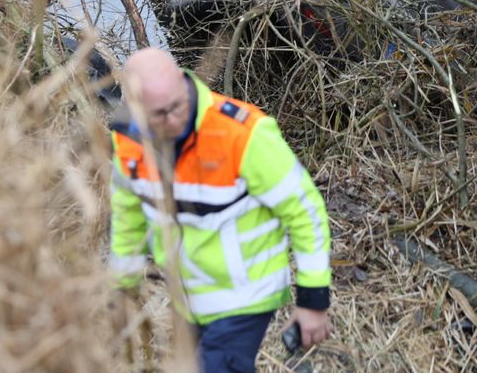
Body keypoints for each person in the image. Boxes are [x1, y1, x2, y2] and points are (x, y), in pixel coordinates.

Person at [108, 48, 332, 372]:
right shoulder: (128, 141)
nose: (173, 119)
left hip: (245, 295)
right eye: (159, 114)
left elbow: (305, 211)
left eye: (178, 105)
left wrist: (313, 301)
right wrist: (123, 290)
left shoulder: (242, 133)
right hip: (188, 301)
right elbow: (128, 217)